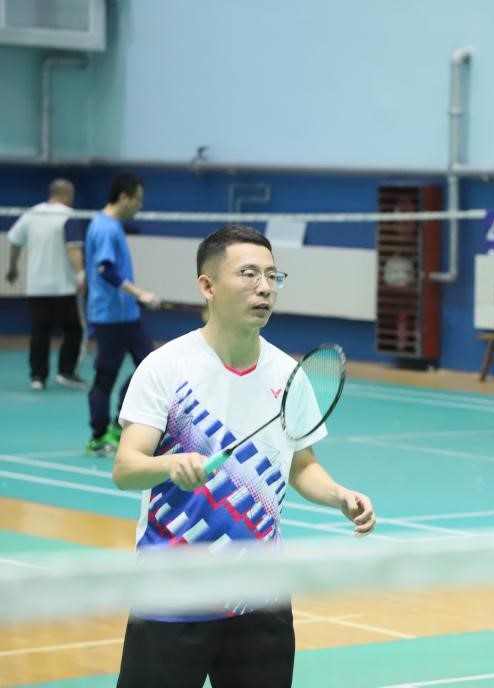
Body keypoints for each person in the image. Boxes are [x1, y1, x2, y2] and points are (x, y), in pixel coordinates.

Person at [111, 224, 376, 687]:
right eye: (249, 274)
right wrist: (170, 465)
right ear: (208, 286)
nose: (264, 287)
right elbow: (126, 467)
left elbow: (301, 463)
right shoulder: (166, 367)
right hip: (173, 595)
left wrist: (338, 495)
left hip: (260, 598)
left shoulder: (287, 374)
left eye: (273, 276)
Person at [83, 172, 163, 456]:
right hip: (110, 317)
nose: (140, 205)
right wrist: (141, 293)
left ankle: (120, 421)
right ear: (123, 197)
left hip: (127, 315)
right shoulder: (104, 228)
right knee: (105, 376)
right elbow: (106, 270)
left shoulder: (112, 225)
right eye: (137, 199)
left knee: (150, 366)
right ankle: (98, 436)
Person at [4, 178, 87, 391]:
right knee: (74, 330)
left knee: (40, 332)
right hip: (63, 287)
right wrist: (81, 274)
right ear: (67, 195)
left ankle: (37, 377)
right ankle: (66, 372)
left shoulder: (31, 214)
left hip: (37, 287)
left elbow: (14, 241)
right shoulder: (68, 215)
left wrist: (12, 267)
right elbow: (73, 248)